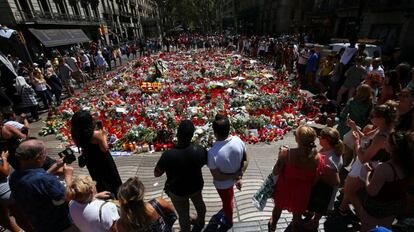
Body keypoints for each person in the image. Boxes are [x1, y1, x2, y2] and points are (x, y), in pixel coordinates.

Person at [340, 103, 397, 217]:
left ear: (382, 119)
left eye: (373, 116)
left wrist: (356, 143)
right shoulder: (383, 130)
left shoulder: (381, 136)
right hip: (367, 163)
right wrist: (354, 127)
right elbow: (365, 138)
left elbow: (363, 158)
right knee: (349, 190)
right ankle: (343, 210)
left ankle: (364, 220)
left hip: (366, 166)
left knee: (349, 192)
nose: (370, 118)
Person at [9, 139, 77, 232]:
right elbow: (68, 196)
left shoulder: (14, 177)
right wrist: (68, 176)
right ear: (38, 157)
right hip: (61, 225)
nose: (46, 156)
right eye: (45, 153)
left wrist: (55, 166)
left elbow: (36, 179)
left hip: (40, 224)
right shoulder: (45, 180)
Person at [154, 120, 207, 232]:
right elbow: (206, 162)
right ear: (192, 135)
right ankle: (201, 221)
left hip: (178, 191)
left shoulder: (168, 155)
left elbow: (157, 173)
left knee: (183, 214)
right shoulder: (199, 150)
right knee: (200, 204)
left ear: (177, 134)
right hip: (196, 186)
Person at [269, 125, 323, 232]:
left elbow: (275, 171)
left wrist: (280, 156)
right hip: (303, 192)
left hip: (284, 188)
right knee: (297, 217)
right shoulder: (318, 158)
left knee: (278, 208)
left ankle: (273, 226)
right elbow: (315, 180)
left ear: (297, 139)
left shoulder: (286, 153)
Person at [359, 131, 414, 231]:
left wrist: (368, 173)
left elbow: (371, 191)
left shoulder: (384, 168)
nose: (384, 143)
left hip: (377, 206)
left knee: (366, 229)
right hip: (394, 205)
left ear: (393, 148)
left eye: (387, 142)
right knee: (386, 228)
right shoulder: (409, 165)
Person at [207, 114, 249, 231]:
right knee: (228, 198)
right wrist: (239, 174)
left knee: (227, 202)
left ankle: (228, 221)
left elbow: (217, 176)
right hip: (234, 176)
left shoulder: (212, 153)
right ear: (229, 129)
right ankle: (226, 209)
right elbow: (246, 159)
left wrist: (235, 176)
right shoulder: (238, 140)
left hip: (223, 185)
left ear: (215, 133)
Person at [71, 110, 122, 195]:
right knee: (113, 180)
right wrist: (104, 134)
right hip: (103, 160)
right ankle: (118, 197)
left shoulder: (76, 134)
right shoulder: (96, 134)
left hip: (90, 159)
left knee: (99, 180)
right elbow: (104, 148)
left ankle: (105, 197)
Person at [305, 127, 344, 230]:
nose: (318, 138)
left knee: (320, 206)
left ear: (327, 140)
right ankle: (311, 212)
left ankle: (315, 222)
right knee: (316, 202)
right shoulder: (328, 149)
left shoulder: (329, 161)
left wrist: (322, 173)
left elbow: (336, 182)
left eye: (321, 137)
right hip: (321, 185)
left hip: (325, 188)